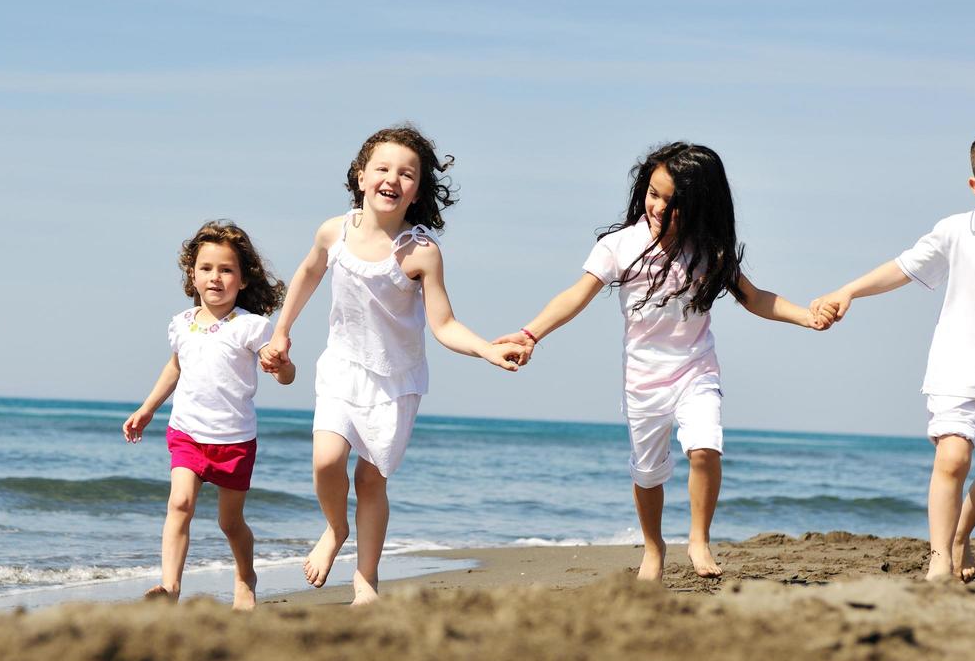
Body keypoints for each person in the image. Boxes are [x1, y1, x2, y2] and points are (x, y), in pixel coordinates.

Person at [497, 142, 832, 582]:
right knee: (648, 472)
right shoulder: (620, 246)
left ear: (699, 205)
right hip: (643, 379)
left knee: (705, 447)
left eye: (672, 202)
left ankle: (699, 538)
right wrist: (530, 333)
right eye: (653, 194)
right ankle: (653, 549)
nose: (658, 206)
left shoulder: (709, 251)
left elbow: (755, 298)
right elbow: (575, 296)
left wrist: (806, 316)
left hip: (696, 368)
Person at [260, 124, 521, 606]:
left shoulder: (421, 251)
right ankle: (336, 529)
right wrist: (282, 330)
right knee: (326, 461)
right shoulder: (333, 230)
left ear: (417, 191)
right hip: (342, 365)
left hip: (396, 380)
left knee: (370, 479)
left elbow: (444, 324)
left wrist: (487, 349)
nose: (392, 179)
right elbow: (309, 271)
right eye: (382, 168)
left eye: (406, 174)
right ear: (361, 176)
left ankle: (366, 580)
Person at [812, 123, 975, 582]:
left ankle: (961, 533)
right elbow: (903, 268)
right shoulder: (956, 232)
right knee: (953, 458)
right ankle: (940, 557)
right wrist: (849, 290)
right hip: (955, 373)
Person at [122, 220, 295, 610]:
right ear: (192, 275)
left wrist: (279, 364)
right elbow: (175, 367)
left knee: (229, 523)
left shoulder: (253, 327)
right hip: (186, 433)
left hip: (234, 440)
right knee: (179, 504)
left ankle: (245, 577)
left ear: (243, 279)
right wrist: (147, 409)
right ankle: (170, 588)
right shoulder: (181, 323)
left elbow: (288, 375)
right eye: (206, 268)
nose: (215, 277)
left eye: (226, 269)